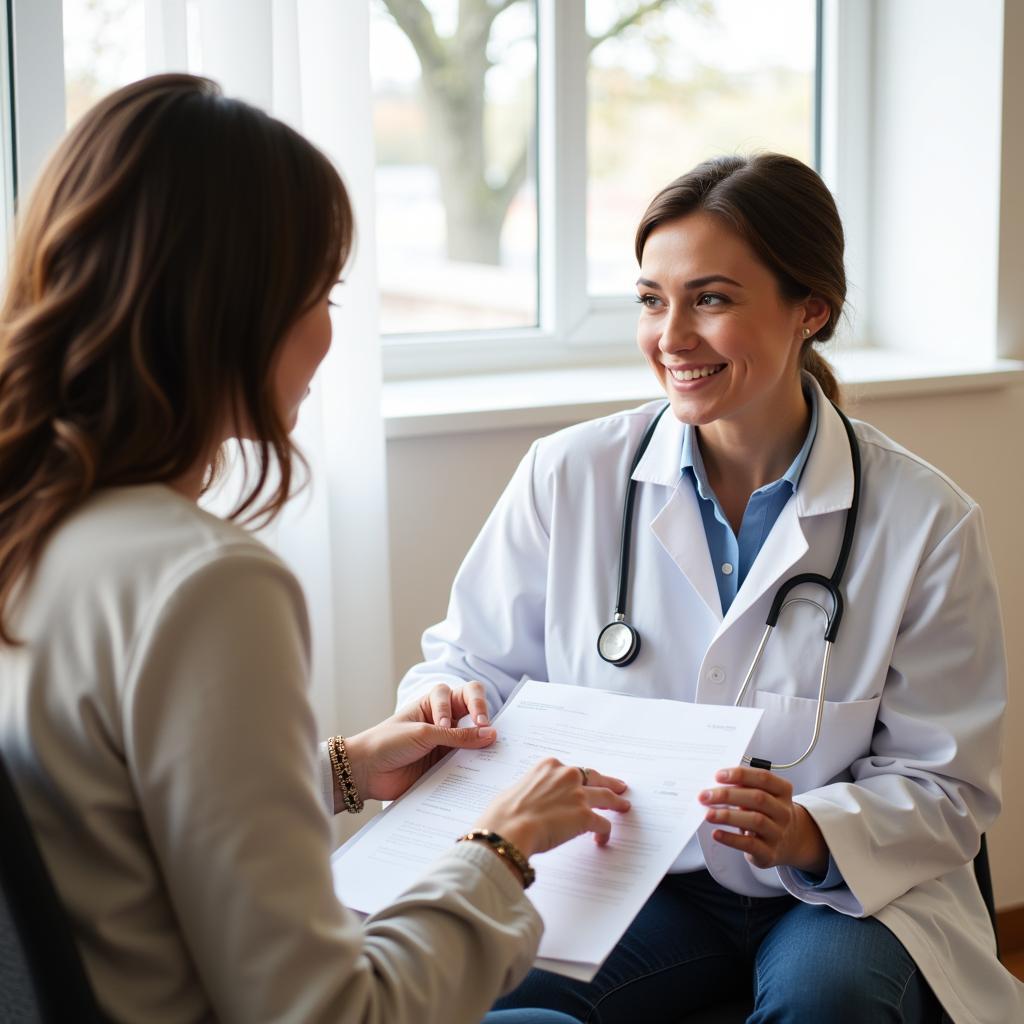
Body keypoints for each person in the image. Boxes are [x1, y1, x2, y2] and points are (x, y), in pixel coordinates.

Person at [0, 74, 634, 1024]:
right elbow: (330, 1012)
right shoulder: (205, 584)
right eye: (323, 289)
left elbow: (102, 817)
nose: (331, 330)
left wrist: (343, 767)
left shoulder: (35, 527)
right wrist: (497, 847)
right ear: (234, 309)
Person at [397, 153, 1024, 1022]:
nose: (672, 336)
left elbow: (948, 787)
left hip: (834, 896)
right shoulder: (570, 476)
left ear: (812, 309)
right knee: (479, 994)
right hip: (634, 874)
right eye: (653, 299)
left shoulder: (926, 522)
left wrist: (810, 832)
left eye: (712, 298)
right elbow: (471, 658)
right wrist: (448, 698)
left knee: (826, 1003)